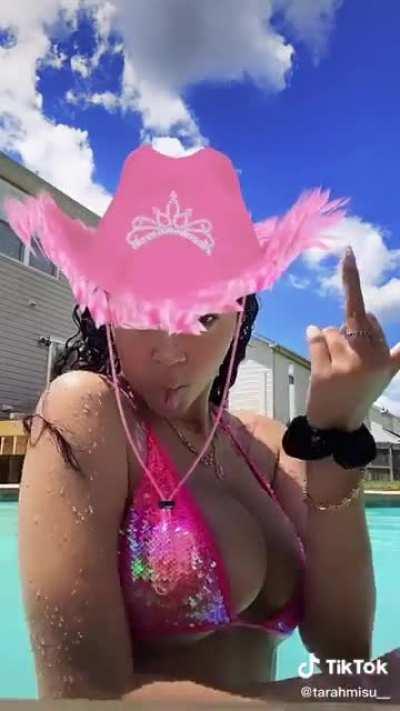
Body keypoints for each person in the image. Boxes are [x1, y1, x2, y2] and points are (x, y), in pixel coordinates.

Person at [4, 142, 397, 702]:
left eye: (204, 315)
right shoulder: (89, 413)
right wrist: (351, 697)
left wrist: (339, 430)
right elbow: (80, 695)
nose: (170, 350)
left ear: (239, 320)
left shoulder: (268, 447)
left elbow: (343, 651)